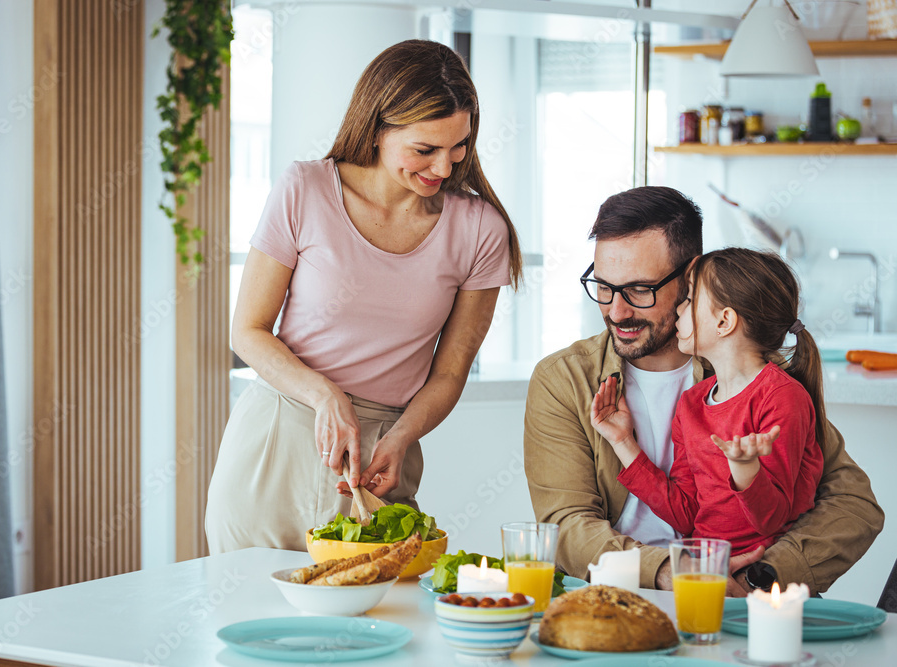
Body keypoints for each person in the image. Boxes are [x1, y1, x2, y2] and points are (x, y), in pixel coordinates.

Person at [205, 40, 523, 553]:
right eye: (425, 149)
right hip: (275, 439)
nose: (444, 167)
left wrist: (399, 438)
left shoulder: (480, 230)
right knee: (248, 615)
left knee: (379, 620)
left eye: (459, 146)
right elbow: (248, 331)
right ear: (377, 129)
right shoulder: (304, 190)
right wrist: (323, 394)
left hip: (380, 455)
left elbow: (450, 370)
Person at [523, 186, 883, 595]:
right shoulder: (564, 380)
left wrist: (754, 578)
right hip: (622, 598)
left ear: (690, 275)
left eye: (640, 289)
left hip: (751, 597)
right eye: (603, 286)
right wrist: (674, 573)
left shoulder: (756, 378)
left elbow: (855, 506)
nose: (616, 311)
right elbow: (566, 524)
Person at [590, 248, 824, 557]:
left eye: (688, 301)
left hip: (762, 580)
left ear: (725, 321)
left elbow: (772, 519)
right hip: (703, 572)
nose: (678, 310)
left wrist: (745, 469)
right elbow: (686, 515)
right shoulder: (692, 404)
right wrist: (622, 441)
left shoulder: (782, 397)